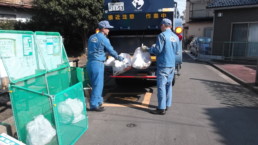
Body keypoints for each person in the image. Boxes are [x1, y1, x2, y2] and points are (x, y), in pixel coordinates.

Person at [141, 18, 179, 115]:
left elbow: (157, 50)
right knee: (168, 86)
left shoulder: (162, 35)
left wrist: (148, 49)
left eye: (160, 25)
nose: (160, 27)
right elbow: (177, 51)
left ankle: (161, 108)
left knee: (161, 86)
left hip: (163, 64)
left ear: (163, 25)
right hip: (171, 64)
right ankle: (167, 105)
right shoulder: (175, 37)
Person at [87, 20, 124, 112]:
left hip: (90, 63)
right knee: (98, 85)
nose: (109, 30)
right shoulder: (104, 39)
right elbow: (111, 51)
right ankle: (94, 105)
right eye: (108, 28)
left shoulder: (92, 37)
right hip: (98, 63)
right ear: (103, 29)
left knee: (94, 84)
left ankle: (99, 102)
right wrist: (119, 58)